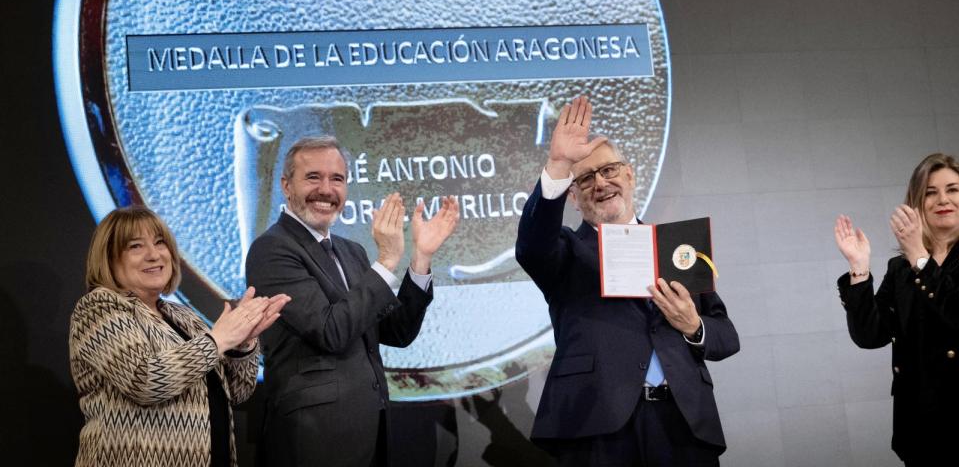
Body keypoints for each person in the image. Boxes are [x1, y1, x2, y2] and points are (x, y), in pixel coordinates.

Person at [515, 96, 740, 466]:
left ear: (630, 175)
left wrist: (693, 326)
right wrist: (558, 166)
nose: (600, 183)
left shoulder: (678, 248)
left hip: (684, 426)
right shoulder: (565, 251)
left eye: (608, 170)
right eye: (585, 179)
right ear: (572, 196)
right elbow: (531, 245)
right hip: (598, 426)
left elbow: (726, 337)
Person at [245, 135, 460, 467]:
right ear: (286, 186)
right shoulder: (272, 250)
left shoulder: (352, 252)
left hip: (370, 427)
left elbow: (397, 332)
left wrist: (421, 259)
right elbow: (330, 331)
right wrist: (387, 260)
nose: (327, 190)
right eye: (313, 177)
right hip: (313, 437)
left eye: (337, 179)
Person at [834, 152, 959, 465]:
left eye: (952, 189)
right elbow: (871, 334)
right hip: (922, 425)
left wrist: (920, 258)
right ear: (918, 204)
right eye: (930, 192)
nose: (942, 199)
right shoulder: (901, 268)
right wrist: (859, 269)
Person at [69, 206, 290, 467]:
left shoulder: (183, 317)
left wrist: (241, 343)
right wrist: (218, 339)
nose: (154, 255)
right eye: (136, 246)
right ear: (108, 258)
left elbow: (236, 392)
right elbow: (144, 380)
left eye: (160, 243)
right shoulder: (98, 308)